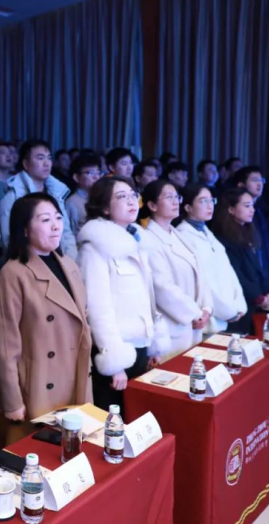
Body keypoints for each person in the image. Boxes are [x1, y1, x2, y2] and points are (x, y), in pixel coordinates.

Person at [0, 193, 92, 421]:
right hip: (40, 385)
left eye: (58, 217)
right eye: (45, 220)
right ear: (25, 230)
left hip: (76, 375)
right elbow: (5, 346)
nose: (56, 226)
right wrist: (12, 401)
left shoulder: (68, 264)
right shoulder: (13, 273)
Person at [76, 176, 168, 411]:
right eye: (121, 196)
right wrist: (114, 363)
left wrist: (153, 344)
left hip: (140, 346)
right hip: (116, 350)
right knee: (113, 420)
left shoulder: (136, 241)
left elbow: (148, 298)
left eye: (133, 195)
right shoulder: (94, 248)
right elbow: (97, 308)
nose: (131, 201)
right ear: (105, 208)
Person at [140, 180, 211, 353]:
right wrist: (194, 313)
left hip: (193, 322)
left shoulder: (177, 234)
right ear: (152, 205)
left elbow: (200, 274)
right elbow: (162, 287)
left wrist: (206, 308)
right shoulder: (148, 239)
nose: (175, 202)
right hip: (172, 326)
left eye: (176, 197)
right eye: (169, 197)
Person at [176, 184, 247, 333]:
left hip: (229, 313)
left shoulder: (207, 232)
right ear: (188, 207)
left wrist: (239, 304)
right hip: (208, 319)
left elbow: (228, 271)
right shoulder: (183, 236)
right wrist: (227, 312)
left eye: (211, 200)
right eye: (203, 201)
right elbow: (203, 282)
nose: (210, 206)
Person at [0, 140, 77, 258]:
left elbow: (65, 231)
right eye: (40, 158)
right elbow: (9, 238)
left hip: (59, 260)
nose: (47, 163)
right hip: (27, 262)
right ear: (26, 164)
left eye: (49, 158)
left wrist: (71, 260)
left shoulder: (56, 192)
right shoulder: (13, 196)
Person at [212, 188, 269, 334]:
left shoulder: (248, 231)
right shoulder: (224, 238)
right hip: (241, 303)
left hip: (256, 301)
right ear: (231, 209)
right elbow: (235, 273)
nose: (252, 210)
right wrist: (257, 297)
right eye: (246, 206)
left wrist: (268, 290)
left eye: (252, 205)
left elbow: (260, 267)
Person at [65, 154, 102, 234]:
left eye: (98, 173)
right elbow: (68, 233)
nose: (96, 177)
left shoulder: (102, 197)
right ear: (76, 177)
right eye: (90, 173)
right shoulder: (72, 203)